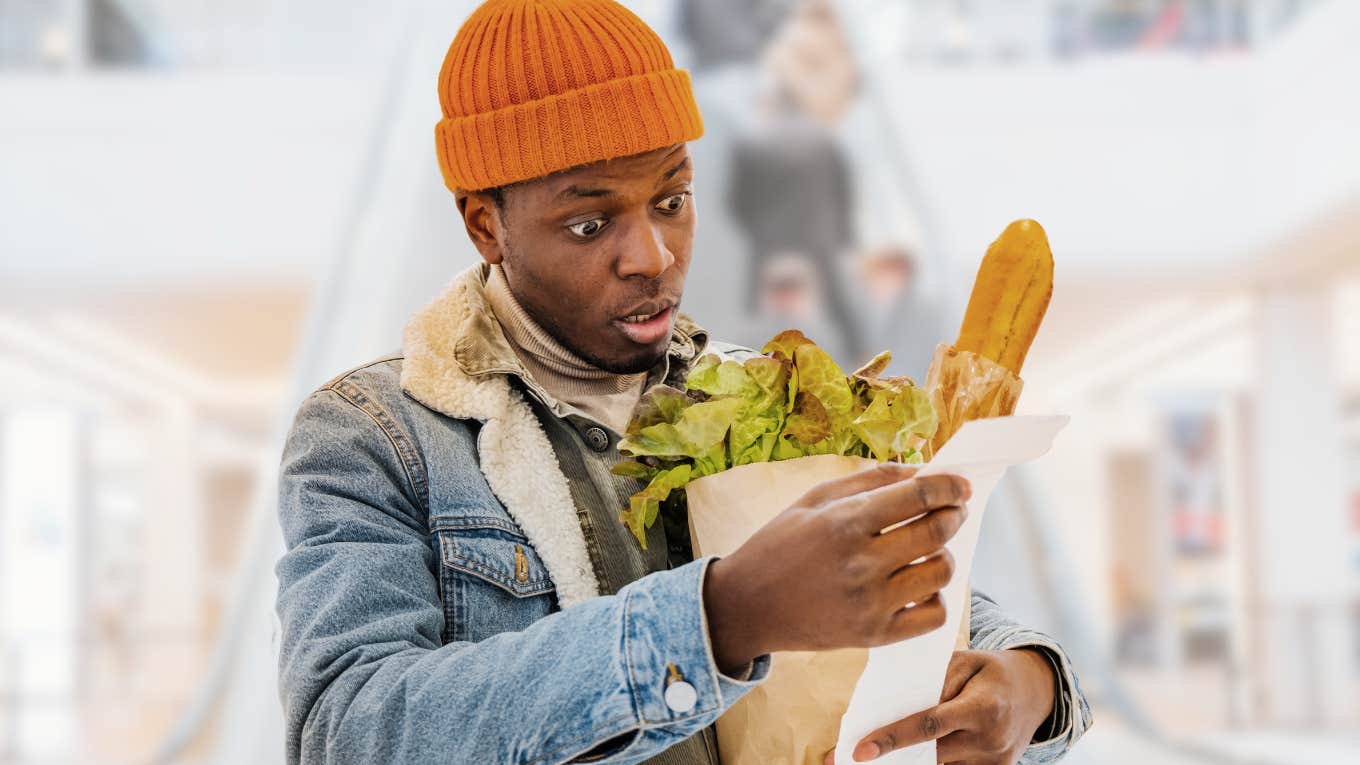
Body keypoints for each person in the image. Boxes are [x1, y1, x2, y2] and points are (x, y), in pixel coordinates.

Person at [274, 2, 1091, 764]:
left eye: (672, 198)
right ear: (486, 224)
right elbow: (346, 726)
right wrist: (720, 617)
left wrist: (1031, 683)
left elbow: (898, 584)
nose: (654, 256)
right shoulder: (374, 437)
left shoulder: (763, 391)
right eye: (591, 223)